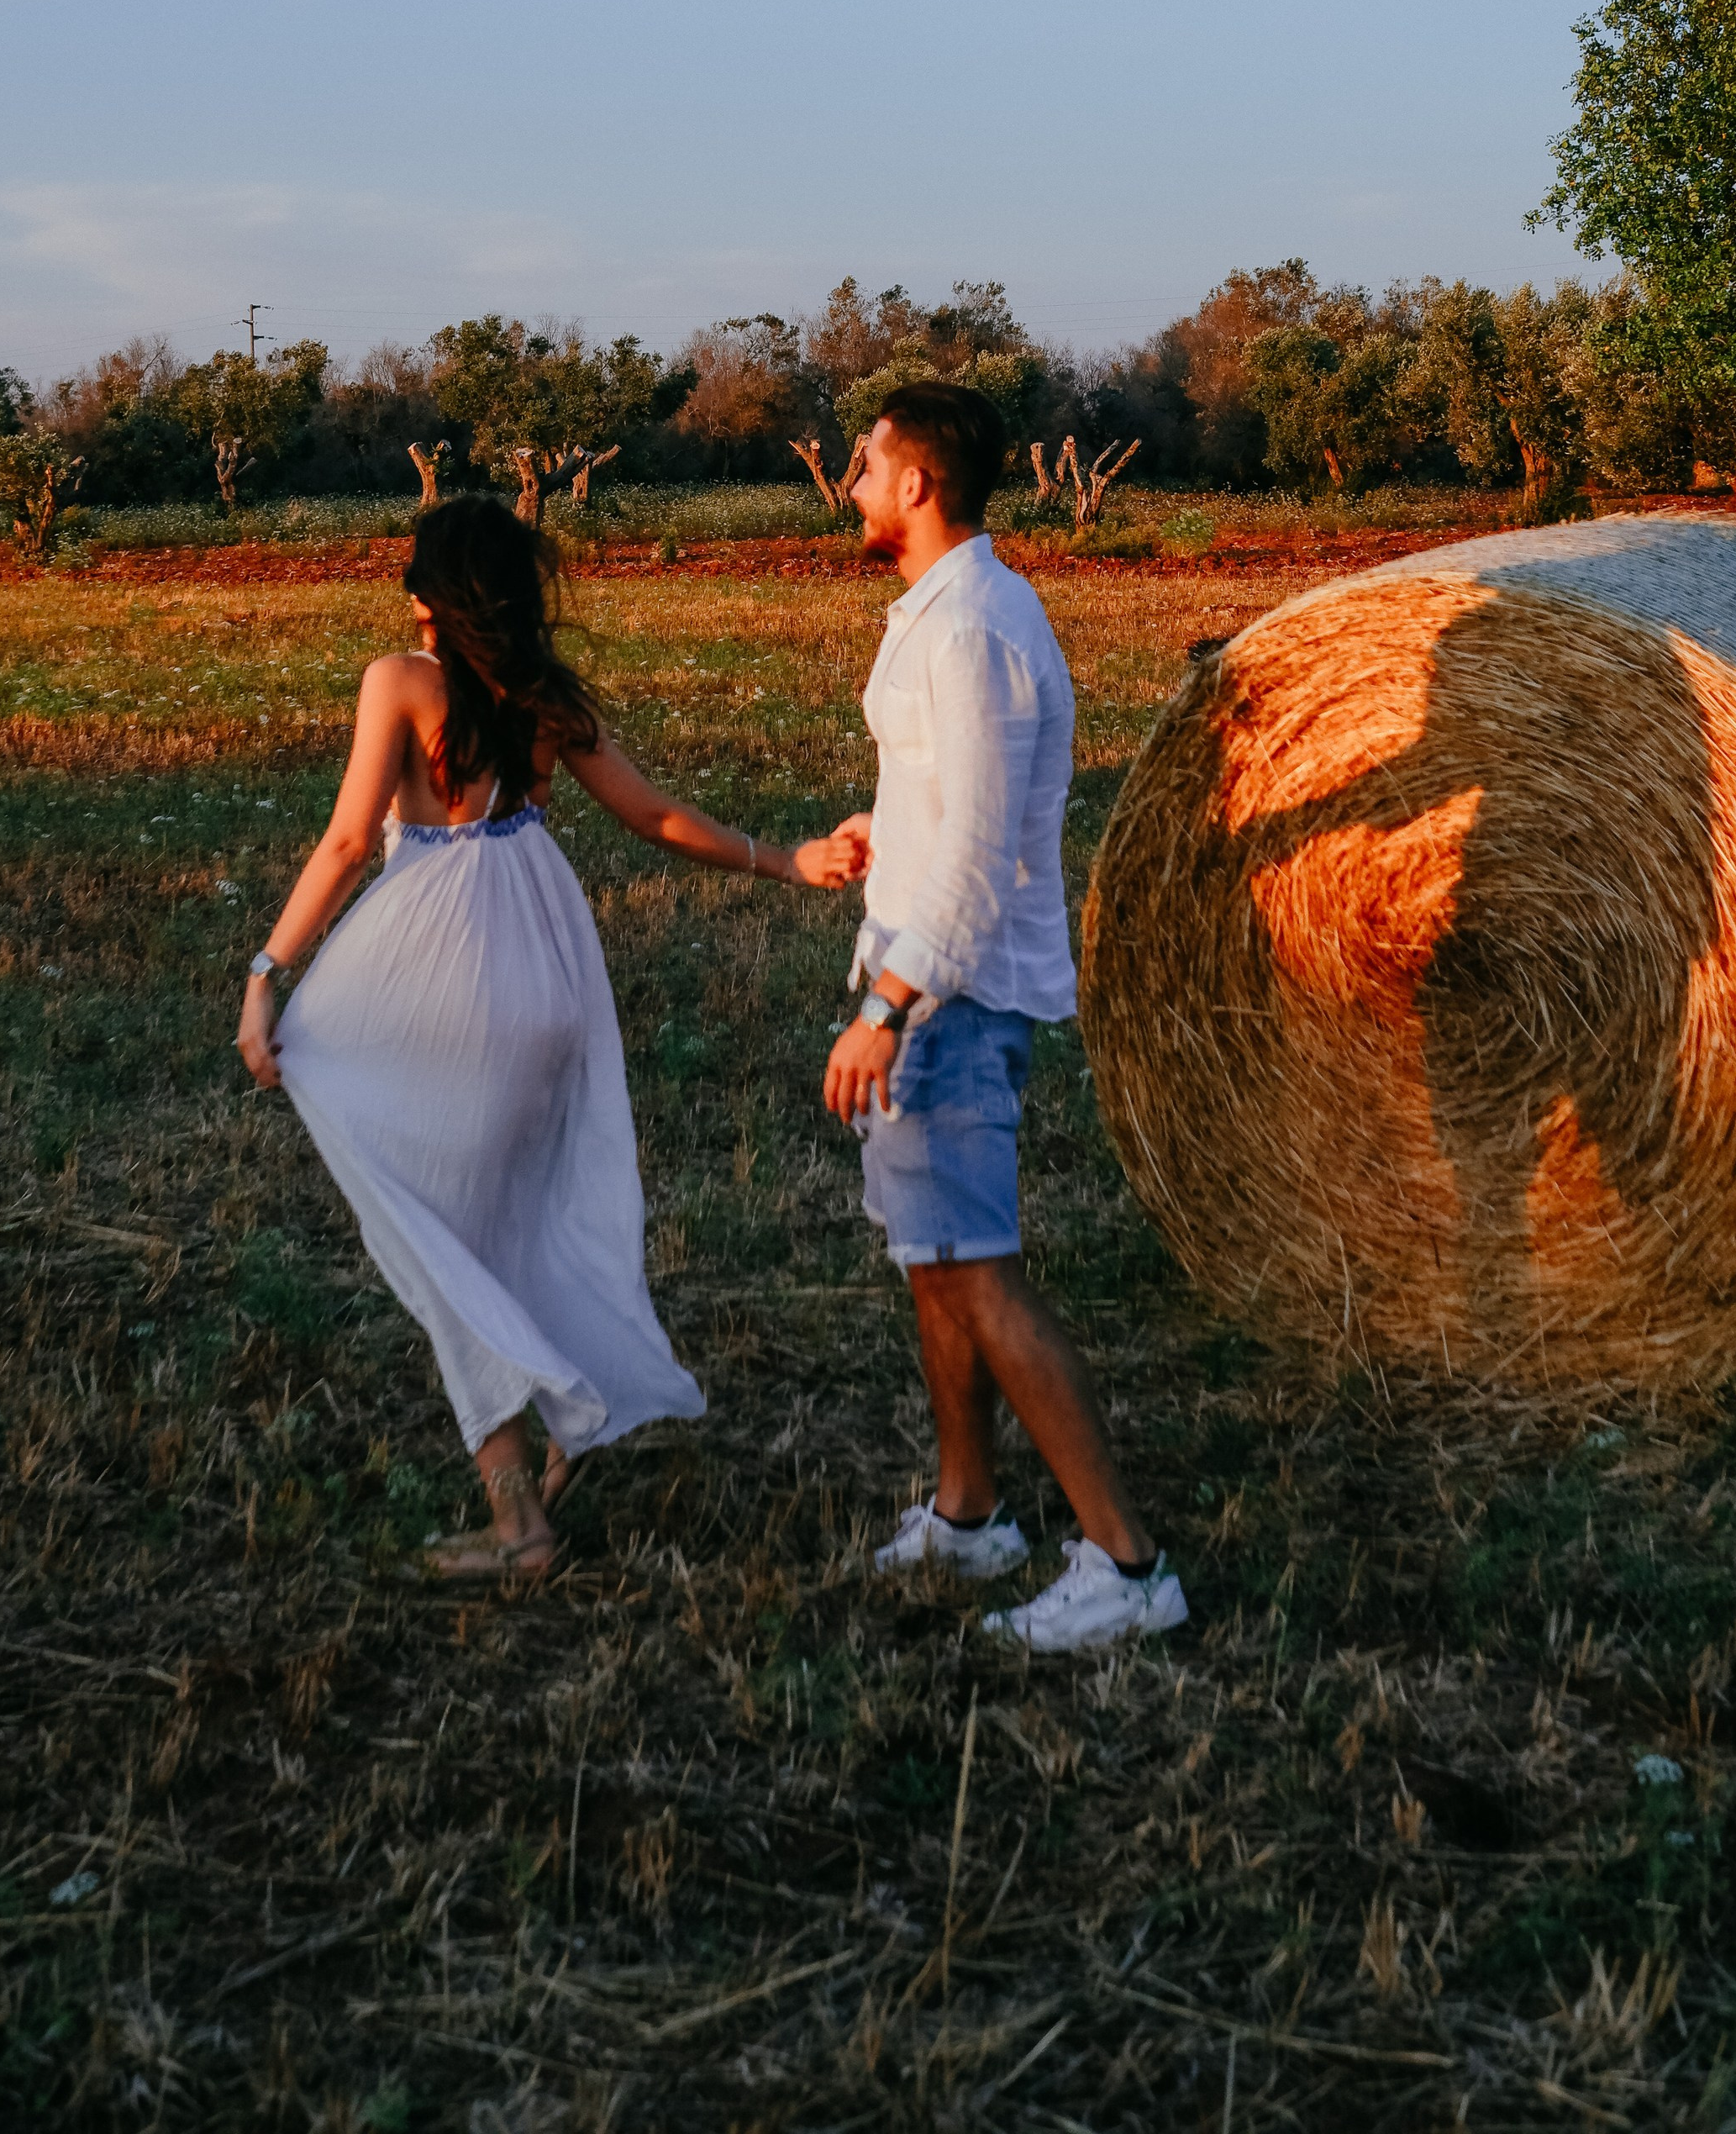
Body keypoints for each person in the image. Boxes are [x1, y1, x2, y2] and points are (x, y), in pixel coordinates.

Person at [236, 495, 865, 1581]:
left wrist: (264, 975)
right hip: (546, 978)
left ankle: (518, 1517)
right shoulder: (542, 701)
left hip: (440, 978)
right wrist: (785, 857)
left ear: (427, 596)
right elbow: (655, 816)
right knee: (526, 1216)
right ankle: (573, 1420)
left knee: (446, 1245)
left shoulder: (399, 682)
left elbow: (347, 841)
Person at [822, 385, 1187, 1652]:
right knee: (934, 1264)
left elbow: (980, 852)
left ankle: (1129, 1571)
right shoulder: (947, 612)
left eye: (866, 465)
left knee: (980, 1277)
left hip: (951, 1000)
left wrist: (886, 1006)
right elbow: (952, 812)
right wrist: (886, 838)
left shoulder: (971, 625)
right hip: (933, 978)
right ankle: (970, 1515)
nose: (853, 484)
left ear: (916, 485)